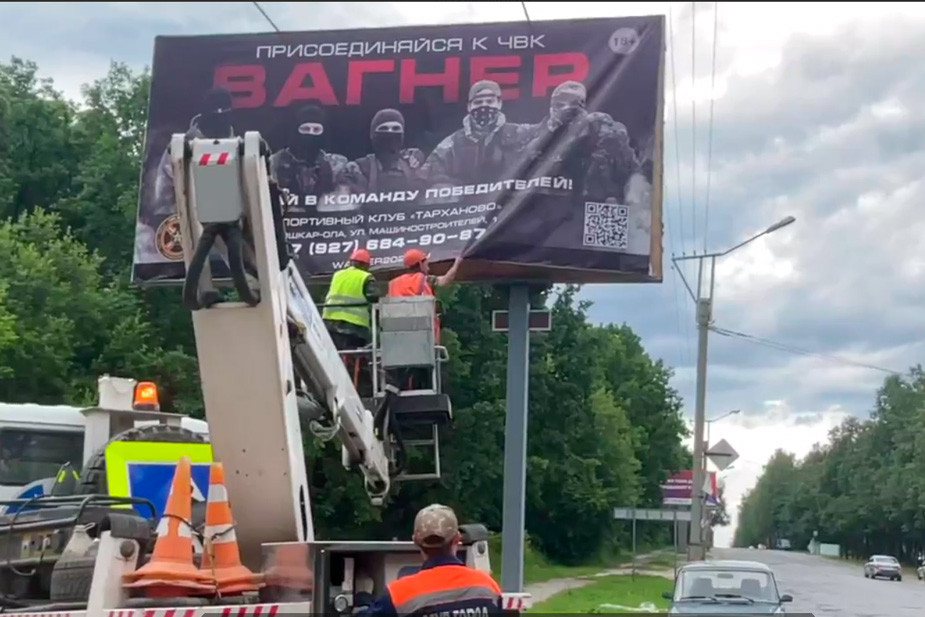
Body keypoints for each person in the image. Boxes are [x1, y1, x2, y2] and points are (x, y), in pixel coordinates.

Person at [362, 504, 502, 617]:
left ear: (416, 541)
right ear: (457, 538)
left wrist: (363, 598)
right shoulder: (487, 586)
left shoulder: (398, 594)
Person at [420, 80, 533, 189]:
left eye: (490, 101)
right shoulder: (452, 144)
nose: (484, 106)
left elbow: (546, 132)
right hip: (465, 205)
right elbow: (429, 175)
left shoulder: (520, 133)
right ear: (469, 107)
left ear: (499, 103)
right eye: (478, 102)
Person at [386, 249, 462, 390]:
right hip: (422, 336)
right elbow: (445, 280)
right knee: (423, 377)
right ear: (420, 263)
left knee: (400, 376)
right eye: (426, 262)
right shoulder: (424, 279)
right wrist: (457, 263)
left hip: (396, 338)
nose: (428, 266)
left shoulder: (394, 283)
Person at [338, 108, 426, 194]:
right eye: (383, 128)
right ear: (373, 134)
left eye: (396, 129)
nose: (390, 133)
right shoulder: (359, 168)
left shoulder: (412, 163)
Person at [322, 248, 379, 351]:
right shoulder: (366, 276)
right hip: (354, 326)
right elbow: (374, 297)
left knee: (334, 353)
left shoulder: (337, 274)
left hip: (329, 322)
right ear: (365, 265)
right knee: (353, 354)